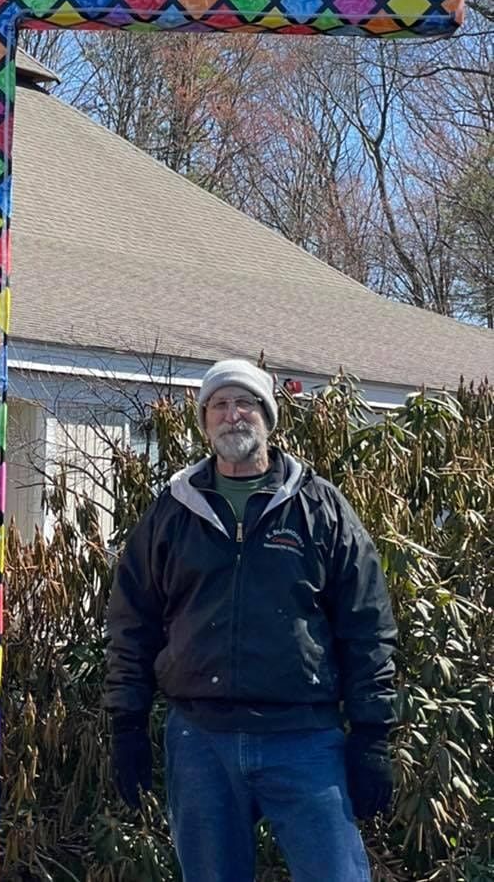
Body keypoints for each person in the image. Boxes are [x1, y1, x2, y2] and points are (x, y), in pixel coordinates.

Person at [105, 358, 396, 882]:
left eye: (245, 404)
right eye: (219, 404)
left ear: (267, 418)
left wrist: (372, 731)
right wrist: (126, 720)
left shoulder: (319, 506)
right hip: (201, 741)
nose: (232, 415)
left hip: (304, 739)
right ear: (205, 421)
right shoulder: (173, 510)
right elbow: (132, 623)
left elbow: (367, 622)